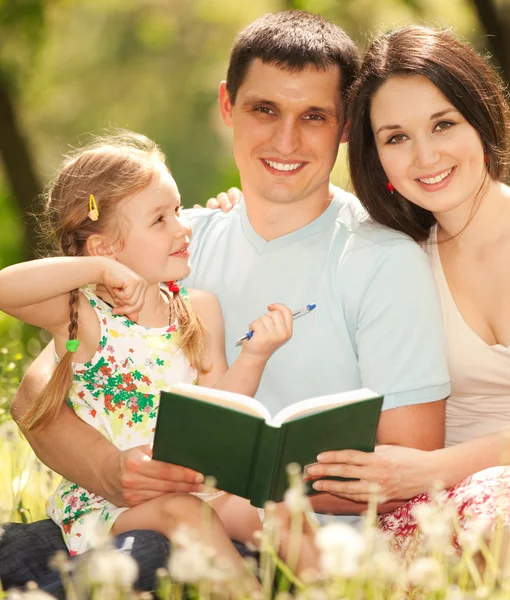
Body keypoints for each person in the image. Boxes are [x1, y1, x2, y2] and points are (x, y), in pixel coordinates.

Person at [4, 11, 451, 595]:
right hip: (144, 516)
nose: (285, 140)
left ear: (345, 127)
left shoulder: (383, 259)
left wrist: (255, 481)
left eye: (313, 116)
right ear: (227, 106)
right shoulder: (170, 247)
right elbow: (37, 394)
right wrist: (114, 471)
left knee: (142, 560)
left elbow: (406, 463)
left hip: (281, 527)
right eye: (264, 109)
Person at [300, 25, 510, 548]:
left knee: (509, 515)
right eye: (396, 137)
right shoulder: (395, 261)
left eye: (443, 125)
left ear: (480, 119)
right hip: (440, 511)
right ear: (378, 159)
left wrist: (428, 470)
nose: (425, 156)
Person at [0, 131, 316, 581]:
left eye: (177, 209)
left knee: (284, 513)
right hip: (115, 506)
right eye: (160, 219)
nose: (182, 227)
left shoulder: (198, 308)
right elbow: (6, 287)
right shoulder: (86, 316)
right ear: (105, 246)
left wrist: (255, 357)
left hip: (200, 489)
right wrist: (97, 271)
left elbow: (221, 410)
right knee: (188, 516)